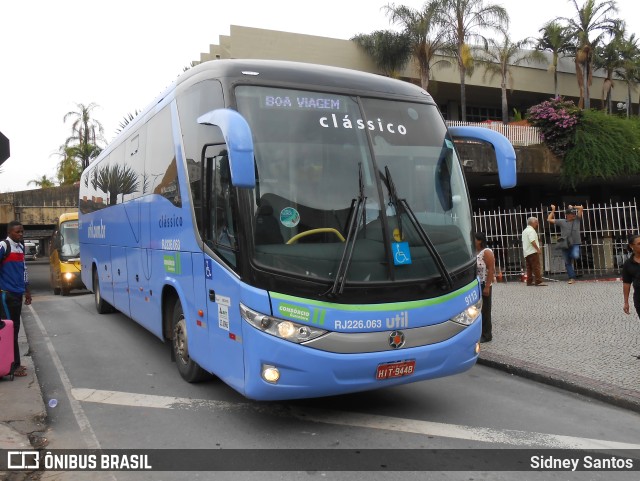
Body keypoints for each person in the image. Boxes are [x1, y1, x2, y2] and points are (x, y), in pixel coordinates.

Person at [0, 220, 32, 377]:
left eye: (22, 232)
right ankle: (12, 366)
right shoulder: (3, 246)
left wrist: (27, 290)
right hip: (6, 294)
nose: (20, 234)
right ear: (9, 232)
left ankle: (16, 363)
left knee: (15, 329)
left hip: (18, 294)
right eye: (17, 232)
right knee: (10, 329)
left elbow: (24, 269)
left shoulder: (20, 247)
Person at [548, 204, 583, 284]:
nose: (574, 215)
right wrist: (553, 210)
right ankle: (572, 278)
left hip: (575, 243)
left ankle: (571, 256)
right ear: (567, 215)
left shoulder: (577, 220)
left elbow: (581, 208)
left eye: (574, 213)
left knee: (575, 255)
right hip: (565, 244)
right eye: (572, 214)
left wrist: (573, 207)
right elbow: (549, 219)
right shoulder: (562, 221)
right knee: (567, 262)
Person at [475, 232, 495, 343]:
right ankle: (479, 332)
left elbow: (491, 269)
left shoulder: (486, 252)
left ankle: (487, 334)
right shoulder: (475, 252)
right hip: (477, 283)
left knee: (485, 310)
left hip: (484, 283)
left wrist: (487, 286)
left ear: (480, 241)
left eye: (475, 239)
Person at [522, 217, 547, 286]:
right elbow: (532, 241)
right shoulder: (531, 231)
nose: (537, 224)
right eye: (536, 222)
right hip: (532, 251)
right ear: (533, 222)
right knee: (536, 266)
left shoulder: (525, 231)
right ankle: (538, 281)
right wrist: (538, 249)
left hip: (526, 252)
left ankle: (529, 281)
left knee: (529, 267)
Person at [622, 234, 640, 319]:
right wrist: (626, 302)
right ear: (631, 246)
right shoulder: (628, 264)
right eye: (639, 244)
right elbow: (626, 283)